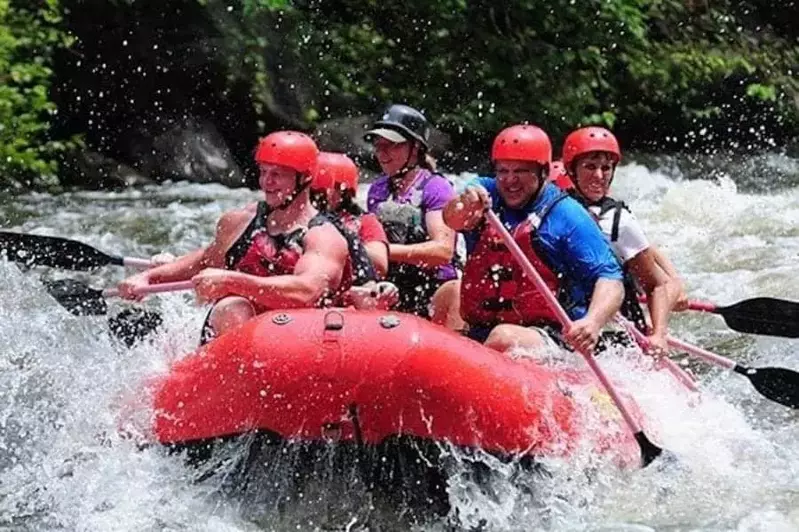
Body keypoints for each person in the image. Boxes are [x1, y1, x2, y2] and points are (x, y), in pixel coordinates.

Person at [117, 131, 366, 343]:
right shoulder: (238, 222)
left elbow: (307, 290)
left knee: (234, 304)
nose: (267, 182)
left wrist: (233, 281)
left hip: (299, 342)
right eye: (263, 172)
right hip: (236, 340)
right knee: (233, 308)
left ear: (305, 177)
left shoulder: (324, 237)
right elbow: (205, 262)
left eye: (278, 174)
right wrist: (149, 277)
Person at [442, 124, 625, 354]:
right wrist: (463, 204)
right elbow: (452, 220)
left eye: (520, 172)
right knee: (447, 293)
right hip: (483, 327)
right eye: (503, 171)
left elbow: (611, 278)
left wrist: (593, 322)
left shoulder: (567, 214)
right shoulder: (484, 193)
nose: (510, 181)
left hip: (551, 335)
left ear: (543, 173)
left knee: (503, 338)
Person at [561, 126, 687, 353]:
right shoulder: (555, 210)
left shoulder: (620, 221)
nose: (599, 176)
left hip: (614, 332)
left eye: (606, 168)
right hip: (567, 321)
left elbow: (656, 283)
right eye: (590, 167)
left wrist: (658, 334)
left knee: (671, 287)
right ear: (571, 170)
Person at [364, 104, 459, 318]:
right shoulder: (377, 190)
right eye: (379, 146)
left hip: (431, 289)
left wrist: (384, 252)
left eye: (392, 145)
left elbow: (443, 251)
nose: (382, 153)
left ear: (415, 147)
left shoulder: (436, 188)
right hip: (392, 288)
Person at [310, 151, 399, 309]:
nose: (321, 195)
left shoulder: (364, 221)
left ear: (345, 191)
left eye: (330, 188)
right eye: (314, 189)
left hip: (351, 300)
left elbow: (379, 264)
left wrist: (339, 241)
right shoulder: (298, 219)